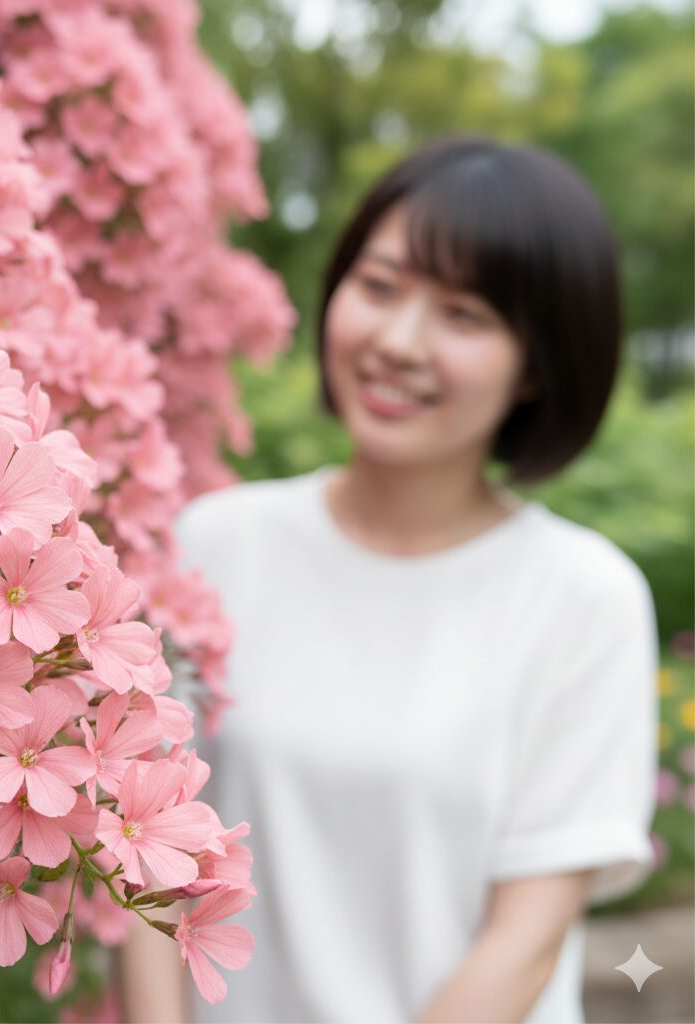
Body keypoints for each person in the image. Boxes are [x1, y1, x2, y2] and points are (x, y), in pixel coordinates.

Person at [118, 135, 661, 1023]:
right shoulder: (216, 544)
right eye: (378, 288)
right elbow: (146, 861)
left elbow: (524, 944)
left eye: (464, 316)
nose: (399, 341)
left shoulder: (580, 599)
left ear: (539, 365)